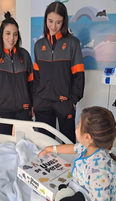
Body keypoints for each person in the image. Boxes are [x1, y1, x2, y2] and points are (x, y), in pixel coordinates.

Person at [39, 106, 116, 201]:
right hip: (82, 190)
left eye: (78, 126)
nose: (76, 128)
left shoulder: (98, 172)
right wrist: (50, 149)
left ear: (87, 137)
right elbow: (73, 148)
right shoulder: (89, 147)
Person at [33, 1, 85, 143]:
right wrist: (35, 99)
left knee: (67, 142)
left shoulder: (72, 43)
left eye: (58, 22)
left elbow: (79, 75)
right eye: (50, 21)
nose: (53, 26)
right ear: (45, 20)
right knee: (44, 142)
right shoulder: (39, 45)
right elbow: (36, 77)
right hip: (42, 102)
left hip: (65, 102)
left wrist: (73, 100)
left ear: (64, 22)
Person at [0, 12, 33, 135]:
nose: (12, 38)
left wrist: (33, 104)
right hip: (2, 110)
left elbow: (32, 82)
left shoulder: (24, 55)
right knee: (5, 146)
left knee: (25, 143)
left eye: (15, 34)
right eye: (8, 33)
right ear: (1, 34)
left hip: (24, 108)